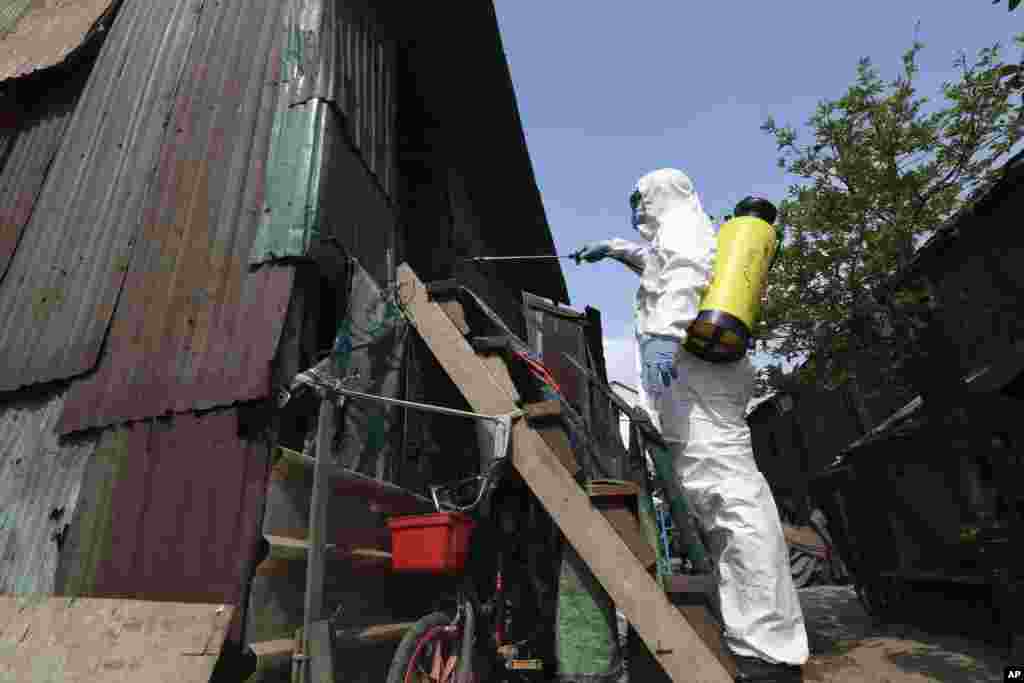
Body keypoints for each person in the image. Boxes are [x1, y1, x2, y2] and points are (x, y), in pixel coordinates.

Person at [577, 169, 809, 681]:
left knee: (731, 502)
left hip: (698, 377)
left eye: (640, 200)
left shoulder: (683, 224)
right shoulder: (677, 228)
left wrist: (665, 332)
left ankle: (770, 647)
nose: (636, 210)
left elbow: (684, 273)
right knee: (716, 501)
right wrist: (616, 249)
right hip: (696, 380)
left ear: (661, 194)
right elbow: (662, 265)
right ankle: (754, 633)